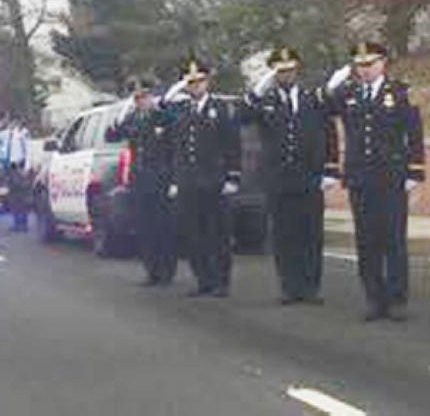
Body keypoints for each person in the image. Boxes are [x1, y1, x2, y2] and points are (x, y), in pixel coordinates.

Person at [326, 42, 425, 322]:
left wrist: (415, 172)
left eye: (370, 64)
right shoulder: (347, 93)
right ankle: (373, 298)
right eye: (360, 65)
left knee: (393, 239)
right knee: (366, 241)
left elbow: (414, 132)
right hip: (360, 177)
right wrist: (333, 84)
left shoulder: (399, 91)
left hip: (391, 176)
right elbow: (322, 107)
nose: (365, 70)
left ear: (383, 63)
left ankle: (397, 298)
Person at [244, 48, 340, 305]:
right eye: (280, 71)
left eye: (289, 70)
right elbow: (243, 116)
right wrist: (257, 90)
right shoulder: (266, 100)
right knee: (284, 235)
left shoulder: (314, 98)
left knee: (311, 233)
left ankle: (310, 287)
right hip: (279, 178)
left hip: (309, 176)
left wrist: (331, 169)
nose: (286, 75)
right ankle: (289, 286)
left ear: (297, 70)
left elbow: (330, 132)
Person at [162, 59, 241, 298]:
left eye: (199, 81)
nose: (196, 86)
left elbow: (232, 144)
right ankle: (203, 279)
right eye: (191, 83)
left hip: (215, 180)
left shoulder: (220, 107)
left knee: (218, 234)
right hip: (188, 182)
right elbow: (171, 134)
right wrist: (176, 180)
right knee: (193, 234)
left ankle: (221, 281)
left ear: (208, 82)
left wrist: (232, 177)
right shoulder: (180, 110)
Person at [107, 88, 177, 287]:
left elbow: (173, 147)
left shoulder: (162, 117)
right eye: (137, 98)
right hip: (139, 180)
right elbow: (112, 136)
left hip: (160, 179)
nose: (141, 101)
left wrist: (173, 180)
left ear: (151, 98)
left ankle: (166, 272)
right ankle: (151, 271)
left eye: (144, 97)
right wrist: (120, 117)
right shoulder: (132, 119)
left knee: (163, 227)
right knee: (145, 228)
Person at [7, 161, 30, 232]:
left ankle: (18, 226)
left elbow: (16, 183)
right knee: (23, 210)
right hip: (23, 194)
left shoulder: (15, 173)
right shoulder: (26, 173)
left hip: (17, 194)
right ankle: (23, 226)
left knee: (17, 210)